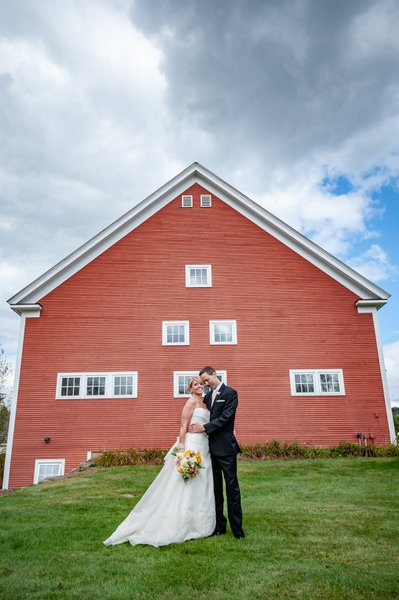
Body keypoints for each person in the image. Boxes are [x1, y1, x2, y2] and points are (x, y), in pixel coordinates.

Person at [103, 377, 215, 547]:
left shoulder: (206, 403)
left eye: (200, 384)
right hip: (192, 444)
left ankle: (200, 521)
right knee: (187, 483)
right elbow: (183, 426)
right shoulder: (191, 402)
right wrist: (182, 449)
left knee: (203, 482)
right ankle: (182, 521)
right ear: (190, 389)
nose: (199, 386)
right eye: (195, 385)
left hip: (204, 445)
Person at [189, 366, 245, 539]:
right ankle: (219, 526)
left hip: (226, 449)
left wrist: (203, 428)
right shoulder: (207, 397)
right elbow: (196, 405)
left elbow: (225, 418)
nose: (205, 383)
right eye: (203, 382)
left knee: (232, 489)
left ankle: (237, 530)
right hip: (209, 449)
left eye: (207, 380)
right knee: (215, 490)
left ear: (214, 374)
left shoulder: (230, 393)